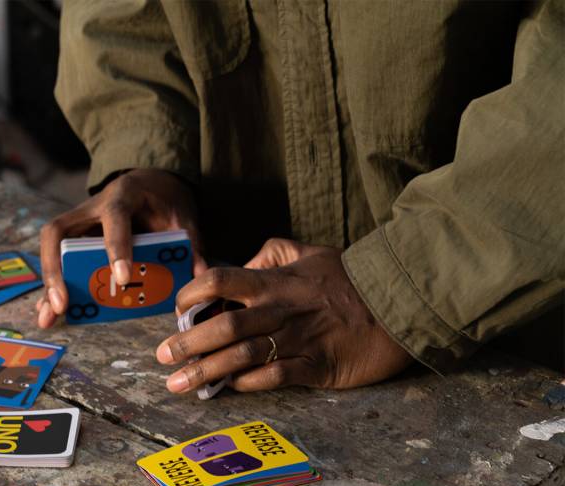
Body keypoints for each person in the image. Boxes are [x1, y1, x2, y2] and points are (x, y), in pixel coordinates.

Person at [35, 0, 564, 395]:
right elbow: (121, 18)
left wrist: (399, 290)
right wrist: (147, 150)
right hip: (239, 299)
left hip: (508, 330)